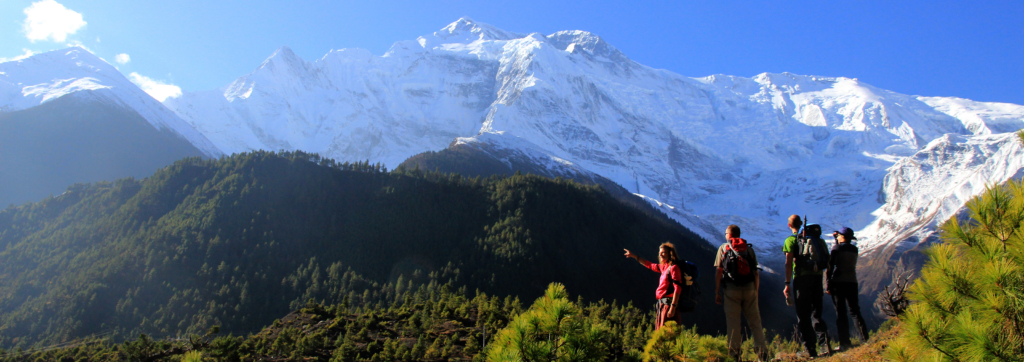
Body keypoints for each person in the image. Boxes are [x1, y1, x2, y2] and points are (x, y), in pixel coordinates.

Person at [714, 224, 768, 361]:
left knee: (733, 324)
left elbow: (719, 271)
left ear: (729, 235)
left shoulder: (723, 248)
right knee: (755, 322)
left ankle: (734, 355)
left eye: (726, 233)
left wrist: (717, 291)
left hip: (731, 291)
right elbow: (756, 273)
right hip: (749, 289)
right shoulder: (749, 250)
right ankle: (762, 353)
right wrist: (755, 291)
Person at [783, 215, 832, 357]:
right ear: (801, 224)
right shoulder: (815, 239)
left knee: (803, 315)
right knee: (817, 312)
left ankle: (810, 349)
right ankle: (825, 345)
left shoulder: (791, 240)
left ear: (789, 225)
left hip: (801, 280)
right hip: (817, 278)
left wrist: (787, 284)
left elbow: (788, 263)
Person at [827, 227, 869, 351]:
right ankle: (864, 338)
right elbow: (842, 249)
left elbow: (831, 266)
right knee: (855, 312)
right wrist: (837, 241)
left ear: (842, 236)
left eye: (838, 235)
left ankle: (845, 342)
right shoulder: (854, 249)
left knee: (841, 313)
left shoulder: (836, 248)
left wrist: (828, 283)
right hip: (852, 282)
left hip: (838, 283)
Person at [624, 242, 683, 330]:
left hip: (668, 305)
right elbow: (650, 265)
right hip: (662, 304)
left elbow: (677, 288)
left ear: (670, 253)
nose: (660, 255)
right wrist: (635, 256)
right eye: (659, 253)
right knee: (661, 332)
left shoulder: (674, 268)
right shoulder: (665, 267)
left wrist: (673, 307)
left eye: (663, 252)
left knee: (666, 333)